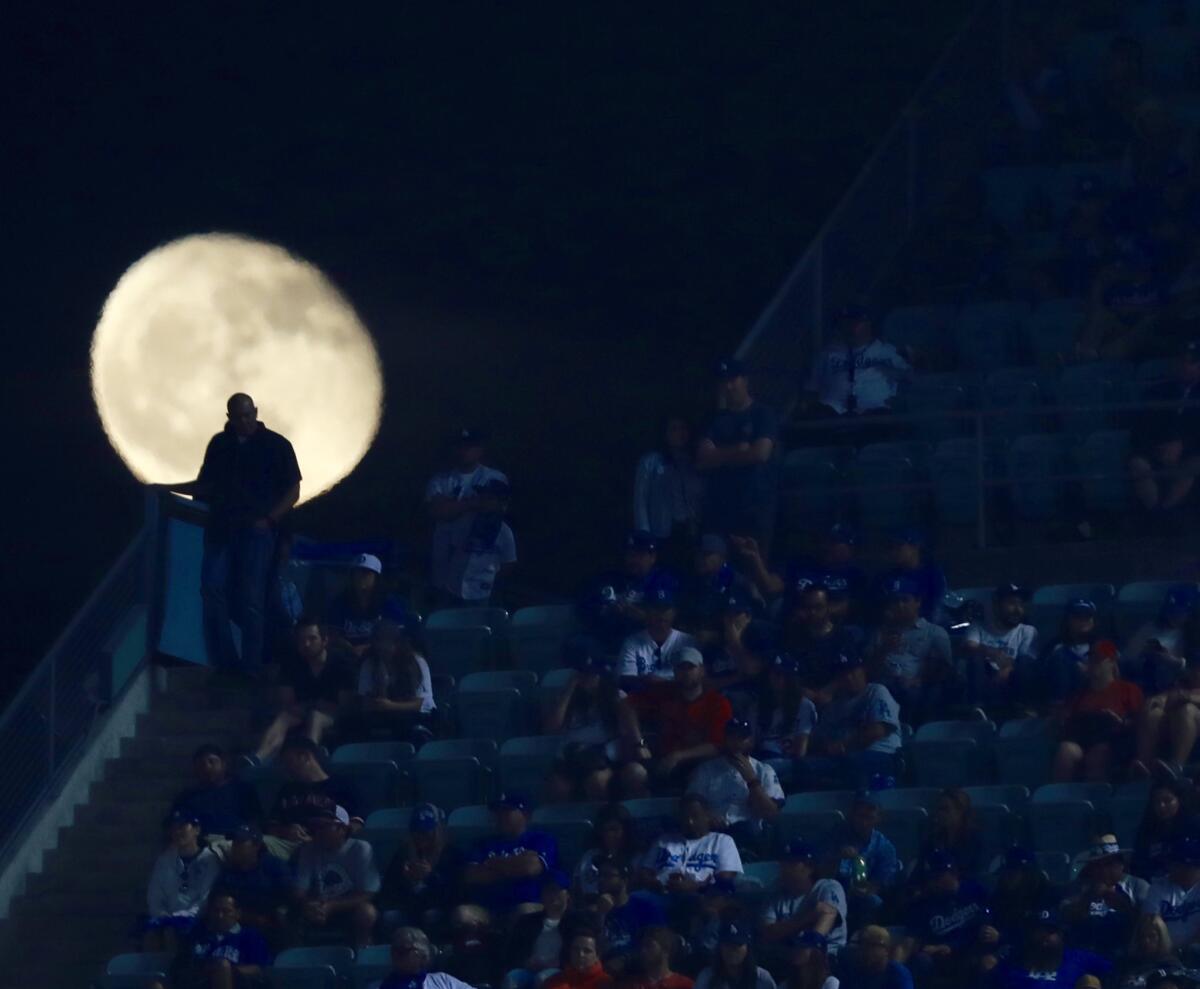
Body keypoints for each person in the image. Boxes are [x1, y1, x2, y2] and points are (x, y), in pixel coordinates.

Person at [158, 393, 301, 676]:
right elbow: (206, 485)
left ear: (256, 412)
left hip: (257, 532)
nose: (244, 421)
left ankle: (250, 667)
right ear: (230, 418)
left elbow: (293, 490)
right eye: (238, 417)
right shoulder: (221, 445)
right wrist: (166, 487)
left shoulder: (276, 445)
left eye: (248, 415)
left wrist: (270, 520)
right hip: (221, 529)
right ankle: (226, 663)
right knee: (212, 589)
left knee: (252, 598)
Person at [242, 617, 354, 766]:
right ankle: (258, 758)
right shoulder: (292, 663)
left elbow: (345, 705)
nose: (306, 644)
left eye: (312, 639)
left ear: (324, 640)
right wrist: (312, 705)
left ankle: (309, 759)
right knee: (283, 717)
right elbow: (287, 702)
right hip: (303, 711)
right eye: (301, 640)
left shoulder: (340, 663)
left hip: (332, 716)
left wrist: (314, 707)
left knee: (316, 717)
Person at [697, 358, 778, 551]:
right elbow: (703, 458)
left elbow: (760, 454)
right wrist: (740, 449)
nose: (729, 386)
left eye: (733, 379)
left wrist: (719, 454)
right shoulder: (714, 419)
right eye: (724, 381)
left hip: (755, 508)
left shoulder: (763, 414)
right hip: (721, 509)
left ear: (745, 380)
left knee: (754, 570)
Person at [425, 427, 508, 606]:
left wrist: (455, 505)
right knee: (444, 622)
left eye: (470, 446)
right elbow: (438, 511)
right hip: (445, 566)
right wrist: (473, 503)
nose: (465, 451)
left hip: (480, 571)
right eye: (461, 446)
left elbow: (493, 506)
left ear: (480, 449)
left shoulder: (494, 477)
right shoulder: (441, 480)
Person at [622, 648, 733, 783]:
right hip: (662, 759)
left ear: (702, 670)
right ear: (674, 671)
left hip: (700, 764)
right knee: (634, 772)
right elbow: (627, 705)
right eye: (680, 667)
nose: (685, 672)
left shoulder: (718, 702)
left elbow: (719, 745)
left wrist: (678, 756)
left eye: (690, 667)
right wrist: (639, 743)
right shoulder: (664, 692)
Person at [800, 653, 901, 790]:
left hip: (882, 755)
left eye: (853, 672)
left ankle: (862, 807)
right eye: (843, 674)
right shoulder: (835, 704)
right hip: (844, 759)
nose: (848, 677)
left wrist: (843, 745)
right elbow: (820, 738)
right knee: (803, 767)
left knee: (852, 763)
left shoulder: (875, 691)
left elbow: (878, 730)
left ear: (862, 671)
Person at [898, 849, 996, 988]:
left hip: (971, 951)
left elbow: (985, 928)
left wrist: (952, 946)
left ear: (953, 873)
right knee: (922, 961)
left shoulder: (975, 890)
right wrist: (895, 966)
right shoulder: (923, 904)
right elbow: (910, 940)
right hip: (941, 957)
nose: (934, 882)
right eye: (932, 878)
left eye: (939, 876)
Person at [866, 575, 955, 723]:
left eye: (905, 600)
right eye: (895, 601)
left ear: (917, 602)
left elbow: (946, 669)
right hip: (883, 687)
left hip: (918, 687)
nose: (900, 605)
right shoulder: (880, 633)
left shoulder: (934, 632)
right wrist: (884, 649)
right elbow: (868, 670)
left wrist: (919, 679)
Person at [1052, 640, 1143, 782]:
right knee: (1066, 750)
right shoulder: (1079, 694)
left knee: (1099, 753)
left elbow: (1139, 721)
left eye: (1099, 659)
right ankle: (1060, 800)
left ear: (1112, 662)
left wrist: (1121, 722)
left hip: (1114, 739)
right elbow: (1065, 721)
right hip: (1083, 737)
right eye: (1091, 659)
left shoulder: (1128, 689)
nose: (1093, 663)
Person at [291, 805, 380, 949]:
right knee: (287, 913)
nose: (318, 831)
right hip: (318, 908)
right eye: (316, 826)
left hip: (349, 908)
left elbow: (368, 893)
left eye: (325, 826)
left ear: (342, 829)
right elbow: (299, 890)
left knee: (367, 912)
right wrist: (309, 904)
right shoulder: (308, 849)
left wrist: (332, 906)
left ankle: (363, 952)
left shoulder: (360, 849)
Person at [686, 718, 784, 848]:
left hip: (748, 836)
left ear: (750, 741)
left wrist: (752, 781)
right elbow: (692, 802)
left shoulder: (764, 770)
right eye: (732, 737)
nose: (736, 743)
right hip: (712, 833)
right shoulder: (706, 769)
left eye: (741, 738)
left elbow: (771, 814)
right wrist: (707, 817)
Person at [263, 735, 364, 860]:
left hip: (329, 845)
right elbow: (271, 827)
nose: (286, 768)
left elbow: (356, 824)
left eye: (289, 762)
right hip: (290, 846)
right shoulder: (287, 790)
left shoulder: (342, 785)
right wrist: (287, 831)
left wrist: (330, 834)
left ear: (305, 756)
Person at [461, 791, 559, 918]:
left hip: (529, 903)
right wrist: (515, 866)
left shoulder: (541, 839)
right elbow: (472, 875)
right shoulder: (483, 843)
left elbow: (530, 868)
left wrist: (493, 864)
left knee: (525, 912)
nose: (500, 816)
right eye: (498, 812)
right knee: (463, 914)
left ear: (526, 815)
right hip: (489, 908)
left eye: (507, 811)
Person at [801, 305, 910, 418]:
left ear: (868, 324)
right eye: (845, 323)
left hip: (874, 416)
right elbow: (811, 389)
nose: (850, 328)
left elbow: (912, 375)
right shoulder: (827, 354)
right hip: (833, 417)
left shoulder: (887, 351)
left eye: (855, 323)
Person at [377, 803, 464, 937]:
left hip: (439, 910)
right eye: (417, 831)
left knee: (431, 916)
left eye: (426, 832)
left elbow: (456, 895)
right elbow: (387, 893)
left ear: (438, 830)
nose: (421, 836)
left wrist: (430, 877)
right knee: (389, 917)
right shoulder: (403, 853)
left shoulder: (451, 854)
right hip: (409, 909)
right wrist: (406, 879)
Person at [144, 809, 223, 952]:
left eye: (182, 827)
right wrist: (163, 917)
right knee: (153, 933)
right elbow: (154, 896)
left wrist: (184, 917)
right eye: (173, 828)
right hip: (168, 920)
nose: (177, 832)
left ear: (196, 829)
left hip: (199, 920)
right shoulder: (165, 860)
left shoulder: (210, 860)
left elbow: (206, 898)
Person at [160, 889, 271, 989]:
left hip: (237, 983)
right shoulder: (196, 935)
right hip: (197, 983)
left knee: (222, 967)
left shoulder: (250, 936)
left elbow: (259, 969)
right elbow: (178, 968)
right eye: (216, 911)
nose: (220, 916)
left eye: (226, 911)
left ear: (238, 913)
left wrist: (226, 970)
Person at [819, 790, 900, 928]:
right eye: (860, 813)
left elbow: (878, 886)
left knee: (873, 902)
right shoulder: (835, 836)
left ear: (878, 817)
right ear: (852, 814)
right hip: (833, 893)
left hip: (862, 898)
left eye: (870, 814)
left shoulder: (885, 847)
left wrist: (861, 888)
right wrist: (837, 857)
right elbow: (819, 875)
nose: (864, 819)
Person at [351, 618, 436, 746]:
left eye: (387, 642)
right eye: (378, 642)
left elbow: (418, 704)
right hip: (385, 715)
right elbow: (365, 703)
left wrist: (389, 705)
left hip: (419, 715)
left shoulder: (416, 662)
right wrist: (382, 685)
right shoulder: (369, 664)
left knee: (407, 726)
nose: (383, 647)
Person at [636, 794, 744, 895]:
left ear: (707, 815)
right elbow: (644, 872)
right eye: (685, 817)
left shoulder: (722, 841)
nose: (690, 822)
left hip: (702, 898)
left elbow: (725, 881)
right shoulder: (663, 841)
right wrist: (654, 883)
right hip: (661, 894)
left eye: (695, 816)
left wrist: (695, 887)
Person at [1062, 833, 1149, 958]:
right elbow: (1065, 916)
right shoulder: (1078, 888)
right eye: (1097, 865)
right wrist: (1088, 898)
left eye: (1108, 864)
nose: (1103, 870)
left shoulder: (1137, 886)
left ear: (1121, 864)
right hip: (1083, 953)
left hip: (1126, 954)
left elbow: (1148, 922)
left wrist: (1118, 901)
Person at [633, 415, 703, 562]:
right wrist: (644, 537)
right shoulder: (650, 462)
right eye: (674, 429)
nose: (680, 433)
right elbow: (640, 500)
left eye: (683, 428)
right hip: (661, 531)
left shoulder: (693, 462)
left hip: (689, 530)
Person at [581, 531, 666, 651]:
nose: (633, 560)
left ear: (652, 557)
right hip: (610, 639)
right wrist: (607, 610)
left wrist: (638, 614)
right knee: (578, 644)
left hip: (644, 642)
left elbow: (664, 618)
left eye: (639, 555)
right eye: (630, 554)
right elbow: (588, 607)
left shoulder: (661, 581)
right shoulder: (613, 578)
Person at [440, 476, 517, 606]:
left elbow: (509, 562)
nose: (484, 501)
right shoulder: (464, 522)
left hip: (480, 594)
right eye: (483, 497)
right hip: (453, 588)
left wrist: (489, 578)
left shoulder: (505, 532)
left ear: (501, 503)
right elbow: (452, 548)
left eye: (490, 498)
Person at [990, 907, 1112, 989]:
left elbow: (1112, 971)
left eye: (1050, 931)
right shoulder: (1017, 956)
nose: (1044, 936)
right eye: (1039, 931)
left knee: (1090, 981)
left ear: (1060, 934)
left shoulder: (1078, 958)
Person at [759, 840, 847, 953]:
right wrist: (808, 917)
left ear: (809, 867)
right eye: (783, 863)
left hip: (829, 955)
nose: (784, 868)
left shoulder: (828, 887)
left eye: (792, 864)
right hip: (788, 956)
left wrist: (805, 946)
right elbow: (767, 933)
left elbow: (829, 915)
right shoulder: (776, 891)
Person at [963, 583, 1039, 711]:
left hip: (1012, 682)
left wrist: (1007, 670)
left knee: (1025, 664)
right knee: (975, 658)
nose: (1018, 609)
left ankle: (1023, 709)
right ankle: (977, 710)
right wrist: (991, 652)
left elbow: (1026, 661)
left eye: (1021, 605)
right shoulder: (978, 627)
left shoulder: (1028, 631)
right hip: (985, 681)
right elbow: (969, 647)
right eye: (1012, 603)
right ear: (996, 605)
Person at [592, 854, 667, 976]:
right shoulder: (592, 911)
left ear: (624, 880)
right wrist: (601, 915)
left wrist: (625, 959)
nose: (601, 880)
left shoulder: (646, 908)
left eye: (608, 876)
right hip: (601, 974)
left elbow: (659, 945)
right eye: (599, 875)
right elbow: (590, 948)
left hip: (637, 973)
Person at [170, 744, 262, 844]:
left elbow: (256, 821)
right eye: (201, 764)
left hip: (237, 844)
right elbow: (174, 825)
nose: (207, 767)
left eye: (212, 762)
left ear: (223, 764)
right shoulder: (187, 797)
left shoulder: (243, 790)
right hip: (201, 846)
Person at [781, 585, 865, 692]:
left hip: (838, 698)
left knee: (877, 690)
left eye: (818, 607)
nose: (813, 612)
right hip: (805, 699)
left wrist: (830, 690)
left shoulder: (843, 636)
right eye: (809, 608)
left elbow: (855, 675)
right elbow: (788, 674)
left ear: (829, 607)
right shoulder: (795, 637)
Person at [324, 553, 410, 657]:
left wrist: (369, 648)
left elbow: (396, 635)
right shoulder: (340, 602)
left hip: (380, 656)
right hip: (347, 656)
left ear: (376, 578)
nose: (360, 577)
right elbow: (333, 634)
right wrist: (350, 648)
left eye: (366, 573)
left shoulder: (389, 604)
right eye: (357, 573)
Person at [216, 826, 292, 941]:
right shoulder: (228, 871)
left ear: (256, 846)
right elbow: (220, 900)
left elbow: (288, 897)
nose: (235, 846)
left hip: (271, 927)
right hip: (237, 925)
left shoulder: (275, 867)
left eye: (241, 842)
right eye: (234, 842)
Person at [503, 869, 577, 987]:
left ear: (567, 894)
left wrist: (556, 964)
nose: (552, 895)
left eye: (556, 890)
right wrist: (526, 962)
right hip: (530, 969)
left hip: (559, 970)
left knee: (542, 978)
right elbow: (513, 952)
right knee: (512, 977)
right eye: (547, 891)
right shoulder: (527, 922)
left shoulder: (576, 923)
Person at [1026, 598, 1099, 711]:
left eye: (1087, 616)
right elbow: (1041, 672)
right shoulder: (1054, 646)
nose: (1083, 620)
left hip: (1091, 693)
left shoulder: (1102, 644)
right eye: (1078, 616)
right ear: (1068, 620)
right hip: (1061, 698)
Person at [618, 584, 698, 683]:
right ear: (647, 611)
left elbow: (693, 680)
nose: (661, 614)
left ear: (674, 612)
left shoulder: (688, 641)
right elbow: (626, 680)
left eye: (666, 609)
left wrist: (660, 684)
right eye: (656, 608)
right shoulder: (632, 642)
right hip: (642, 696)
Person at [752, 653, 816, 777]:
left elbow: (801, 750)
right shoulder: (757, 706)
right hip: (761, 759)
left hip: (788, 761)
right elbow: (751, 743)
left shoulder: (804, 706)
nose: (778, 680)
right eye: (775, 674)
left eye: (783, 675)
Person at [1142, 834, 1200, 960]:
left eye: (1176, 864)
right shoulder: (1158, 888)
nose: (1170, 868)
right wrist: (1172, 955)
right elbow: (1150, 928)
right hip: (1165, 957)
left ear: (1191, 866)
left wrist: (1187, 952)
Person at [870, 529, 946, 622]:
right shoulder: (885, 575)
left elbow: (936, 606)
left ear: (915, 547)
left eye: (899, 547)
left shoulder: (932, 575)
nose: (894, 552)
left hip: (924, 627)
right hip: (891, 627)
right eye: (891, 548)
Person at [1134, 782, 1199, 885]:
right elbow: (1139, 865)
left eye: (1167, 801)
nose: (1161, 806)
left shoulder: (1195, 827)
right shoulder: (1147, 831)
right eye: (1156, 802)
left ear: (1179, 800)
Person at [373, 926, 477, 989]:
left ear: (420, 953)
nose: (395, 954)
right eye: (394, 950)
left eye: (402, 950)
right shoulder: (378, 986)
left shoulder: (443, 980)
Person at [917, 789, 984, 880]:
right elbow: (917, 874)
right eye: (939, 809)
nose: (940, 814)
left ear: (960, 812)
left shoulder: (975, 841)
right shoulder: (932, 841)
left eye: (946, 809)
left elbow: (976, 875)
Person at [575, 805, 638, 897]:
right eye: (609, 830)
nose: (611, 834)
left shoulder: (638, 858)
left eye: (616, 829)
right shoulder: (589, 858)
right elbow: (581, 890)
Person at [693, 921, 775, 989]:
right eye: (728, 945)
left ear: (747, 948)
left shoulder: (762, 978)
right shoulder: (706, 977)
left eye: (738, 945)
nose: (732, 950)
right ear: (720, 948)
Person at [1116, 915, 1184, 989]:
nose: (1146, 941)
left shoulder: (1171, 965)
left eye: (1152, 936)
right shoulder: (1125, 965)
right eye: (1142, 936)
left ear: (1161, 937)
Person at [618, 926, 694, 989]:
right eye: (642, 946)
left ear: (666, 949)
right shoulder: (632, 984)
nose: (643, 951)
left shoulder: (684, 985)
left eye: (649, 946)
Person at [837, 926, 913, 989]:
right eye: (862, 944)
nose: (866, 951)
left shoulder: (898, 974)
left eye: (871, 945)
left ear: (886, 949)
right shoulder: (853, 969)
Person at [545, 928, 614, 989]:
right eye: (576, 949)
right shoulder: (554, 981)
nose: (580, 954)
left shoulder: (605, 983)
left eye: (587, 951)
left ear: (597, 956)